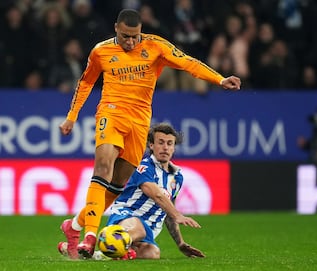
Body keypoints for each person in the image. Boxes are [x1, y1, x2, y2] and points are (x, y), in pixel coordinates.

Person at [58, 8, 241, 260]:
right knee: (103, 167)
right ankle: (90, 235)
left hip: (140, 122)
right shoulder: (100, 51)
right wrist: (72, 116)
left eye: (135, 36)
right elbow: (86, 82)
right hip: (111, 113)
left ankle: (74, 226)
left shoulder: (156, 46)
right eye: (125, 36)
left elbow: (187, 62)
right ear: (115, 28)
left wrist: (219, 80)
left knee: (117, 184)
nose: (130, 42)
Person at [59, 123, 205, 260]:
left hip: (148, 229)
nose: (165, 148)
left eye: (169, 143)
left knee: (152, 253)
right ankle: (102, 240)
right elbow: (155, 193)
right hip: (127, 216)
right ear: (151, 145)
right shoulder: (143, 167)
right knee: (138, 230)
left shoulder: (177, 177)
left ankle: (92, 253)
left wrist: (180, 243)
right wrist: (178, 214)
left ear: (174, 148)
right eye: (161, 142)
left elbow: (167, 209)